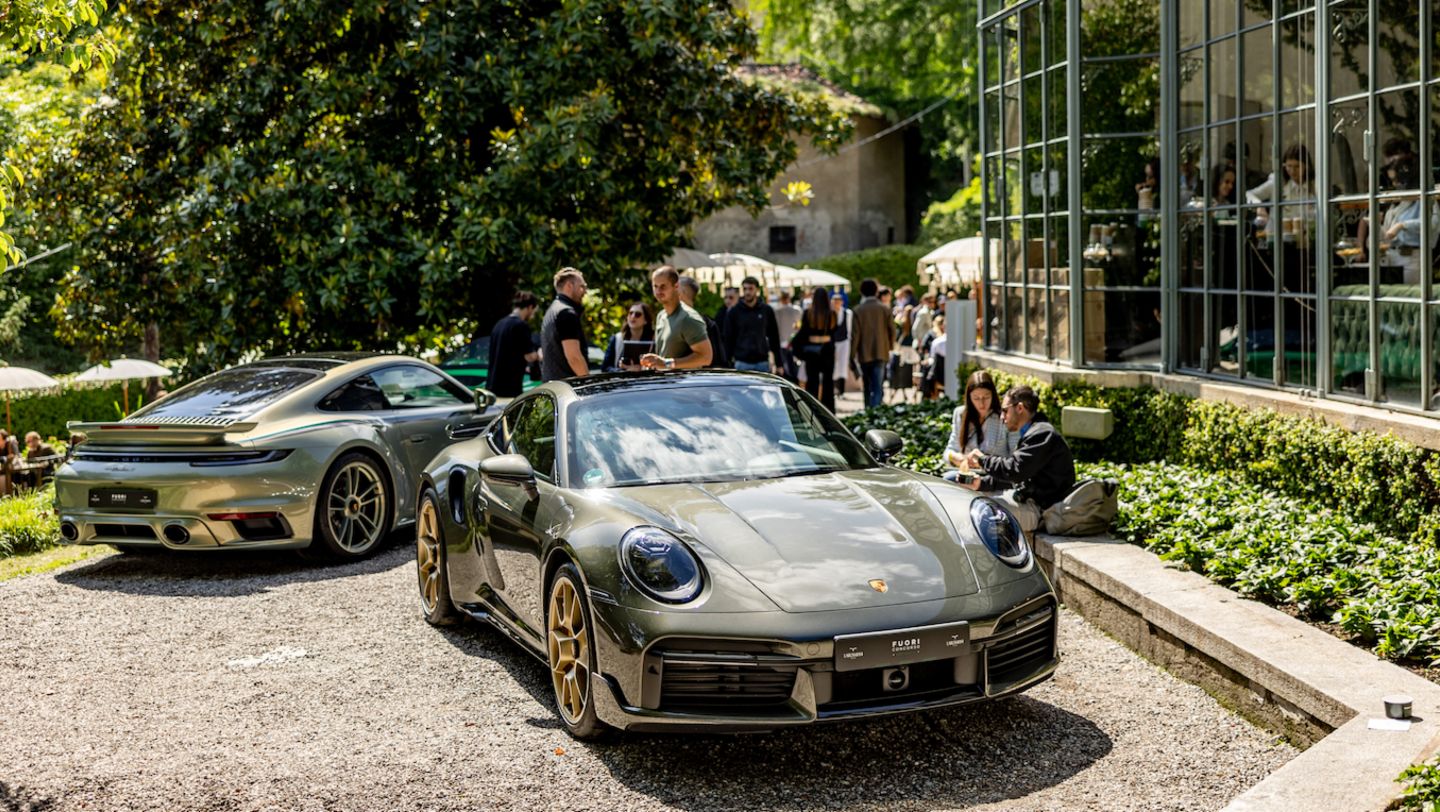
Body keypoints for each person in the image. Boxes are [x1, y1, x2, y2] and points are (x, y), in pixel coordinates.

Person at [961, 385, 1077, 534]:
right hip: (1029, 502)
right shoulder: (1034, 432)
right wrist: (982, 483)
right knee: (968, 499)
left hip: (1043, 511)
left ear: (1020, 408)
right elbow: (1022, 476)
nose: (1002, 417)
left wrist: (983, 460)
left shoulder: (1042, 434)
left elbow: (1015, 470)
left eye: (1005, 411)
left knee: (984, 513)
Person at [942, 371, 1010, 483]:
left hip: (994, 478)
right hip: (968, 475)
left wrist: (984, 461)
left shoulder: (1004, 417)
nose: (982, 404)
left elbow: (1015, 459)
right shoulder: (960, 414)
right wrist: (955, 457)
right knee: (947, 480)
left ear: (993, 395)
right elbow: (949, 451)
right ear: (969, 398)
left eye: (986, 397)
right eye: (976, 398)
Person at [642, 266, 714, 370]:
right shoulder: (661, 315)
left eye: (663, 286)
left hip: (685, 385)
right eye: (655, 286)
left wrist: (667, 363)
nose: (658, 291)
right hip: (664, 384)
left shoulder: (688, 318)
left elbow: (706, 357)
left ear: (676, 286)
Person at [792, 286, 846, 412]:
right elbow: (834, 333)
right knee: (828, 384)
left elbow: (803, 332)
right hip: (827, 350)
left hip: (812, 352)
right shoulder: (832, 314)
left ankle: (812, 411)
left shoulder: (808, 313)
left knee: (812, 383)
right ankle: (829, 411)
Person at [486, 290, 541, 396]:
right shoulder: (521, 326)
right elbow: (530, 356)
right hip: (509, 388)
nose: (533, 315)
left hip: (492, 387)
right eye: (534, 311)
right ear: (530, 307)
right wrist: (539, 354)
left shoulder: (499, 324)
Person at [724, 276, 782, 373]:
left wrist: (779, 363)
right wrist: (727, 364)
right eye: (745, 289)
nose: (747, 292)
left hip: (762, 362)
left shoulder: (766, 310)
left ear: (757, 290)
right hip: (741, 362)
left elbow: (774, 337)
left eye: (750, 289)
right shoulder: (734, 312)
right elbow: (728, 339)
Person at [540, 267, 590, 381]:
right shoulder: (566, 313)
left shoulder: (552, 310)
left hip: (554, 386)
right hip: (567, 389)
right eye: (582, 286)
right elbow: (574, 357)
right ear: (569, 286)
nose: (585, 291)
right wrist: (588, 382)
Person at [851, 278, 894, 409]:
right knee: (878, 386)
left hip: (864, 352)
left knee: (867, 386)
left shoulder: (858, 310)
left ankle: (867, 410)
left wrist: (852, 354)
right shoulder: (885, 309)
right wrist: (890, 346)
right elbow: (892, 330)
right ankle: (876, 412)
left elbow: (855, 334)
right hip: (881, 351)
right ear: (876, 291)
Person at [677, 275, 729, 367]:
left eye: (675, 289)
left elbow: (717, 360)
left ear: (681, 293)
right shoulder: (667, 319)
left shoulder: (704, 323)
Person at [602, 301, 655, 372]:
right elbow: (605, 367)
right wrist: (624, 370)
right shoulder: (617, 339)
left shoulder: (654, 341)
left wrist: (641, 368)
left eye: (637, 314)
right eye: (630, 313)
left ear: (646, 320)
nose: (633, 316)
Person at [773, 290, 803, 381]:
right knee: (793, 369)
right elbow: (798, 327)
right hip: (792, 343)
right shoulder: (796, 310)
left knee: (784, 370)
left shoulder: (776, 311)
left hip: (782, 343)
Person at [830, 291, 854, 395]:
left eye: (838, 301)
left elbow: (849, 329)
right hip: (833, 342)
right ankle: (834, 388)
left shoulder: (847, 313)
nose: (836, 303)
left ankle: (841, 390)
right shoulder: (830, 313)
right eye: (834, 301)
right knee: (833, 365)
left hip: (844, 342)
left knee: (842, 366)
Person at [922, 315, 947, 399]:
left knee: (927, 368)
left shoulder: (937, 342)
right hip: (949, 374)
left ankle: (928, 395)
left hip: (940, 376)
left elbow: (932, 359)